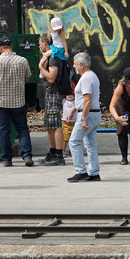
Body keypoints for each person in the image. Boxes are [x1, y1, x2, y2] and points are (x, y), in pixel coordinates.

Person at [0, 36, 34, 167]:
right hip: (18, 101)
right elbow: (27, 77)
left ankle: (7, 158)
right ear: (11, 47)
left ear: (0, 48)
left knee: (3, 130)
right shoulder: (22, 60)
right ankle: (27, 156)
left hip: (1, 102)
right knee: (22, 128)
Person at [66, 51, 101, 182]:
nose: (74, 66)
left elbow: (87, 99)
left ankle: (80, 171)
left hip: (88, 114)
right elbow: (85, 99)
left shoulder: (86, 78)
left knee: (74, 141)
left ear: (82, 64)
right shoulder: (92, 76)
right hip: (94, 113)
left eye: (75, 64)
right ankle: (94, 172)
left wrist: (83, 119)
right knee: (90, 143)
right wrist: (74, 109)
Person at [37, 33, 69, 165]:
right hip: (50, 92)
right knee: (49, 124)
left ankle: (59, 155)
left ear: (45, 43)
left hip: (54, 93)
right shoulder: (50, 57)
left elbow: (51, 78)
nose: (39, 46)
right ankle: (52, 152)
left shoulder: (54, 58)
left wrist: (40, 68)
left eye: (39, 43)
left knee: (55, 124)